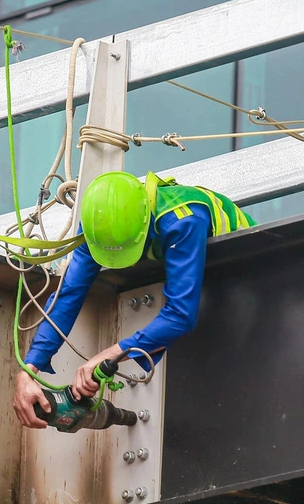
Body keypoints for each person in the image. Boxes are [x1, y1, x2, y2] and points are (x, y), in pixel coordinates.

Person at [13, 170, 254, 428]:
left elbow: (181, 314)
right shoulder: (98, 224)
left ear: (143, 223)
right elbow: (69, 294)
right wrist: (29, 370)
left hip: (243, 279)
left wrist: (105, 356)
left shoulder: (183, 218)